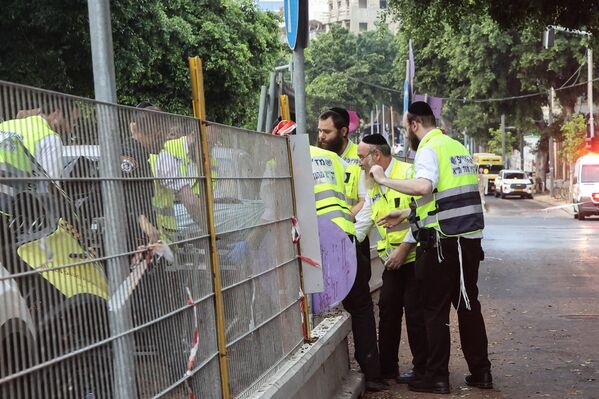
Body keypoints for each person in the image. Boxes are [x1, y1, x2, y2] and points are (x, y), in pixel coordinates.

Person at [369, 101, 492, 394]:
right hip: (468, 240)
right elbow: (442, 197)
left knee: (433, 310)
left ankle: (436, 377)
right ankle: (482, 372)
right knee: (468, 306)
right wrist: (408, 214)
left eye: (404, 127)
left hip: (441, 243)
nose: (406, 133)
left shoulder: (428, 147)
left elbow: (424, 186)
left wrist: (384, 179)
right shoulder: (456, 146)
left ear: (414, 125)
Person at [316, 111, 386, 392]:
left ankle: (372, 372)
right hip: (325, 242)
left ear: (343, 132)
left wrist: (345, 236)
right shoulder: (316, 159)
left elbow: (366, 202)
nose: (321, 137)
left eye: (327, 132)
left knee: (360, 308)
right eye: (319, 131)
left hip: (351, 243)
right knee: (325, 306)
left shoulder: (356, 161)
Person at [354, 133, 428, 385]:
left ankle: (423, 369)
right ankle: (387, 368)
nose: (359, 163)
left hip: (415, 256)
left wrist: (405, 248)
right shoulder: (372, 181)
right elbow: (365, 218)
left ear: (376, 155)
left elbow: (422, 213)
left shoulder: (409, 173)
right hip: (391, 261)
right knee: (387, 310)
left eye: (362, 157)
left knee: (416, 314)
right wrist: (347, 240)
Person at [0, 103, 79, 182]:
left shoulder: (6, 125)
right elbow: (48, 184)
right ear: (57, 114)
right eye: (73, 120)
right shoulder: (51, 138)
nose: (74, 125)